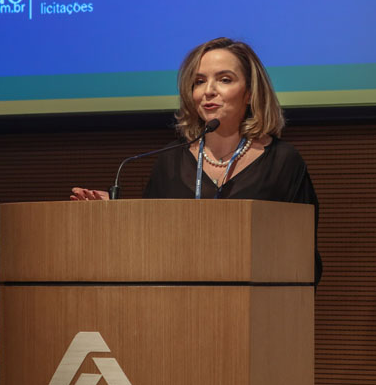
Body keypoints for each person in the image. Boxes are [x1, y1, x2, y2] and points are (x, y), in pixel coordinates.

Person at [71, 37, 321, 281]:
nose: (208, 91)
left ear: (249, 93)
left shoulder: (283, 161)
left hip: (258, 301)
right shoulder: (171, 160)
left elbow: (302, 254)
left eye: (224, 79)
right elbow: (149, 241)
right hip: (180, 300)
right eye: (199, 81)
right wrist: (117, 214)